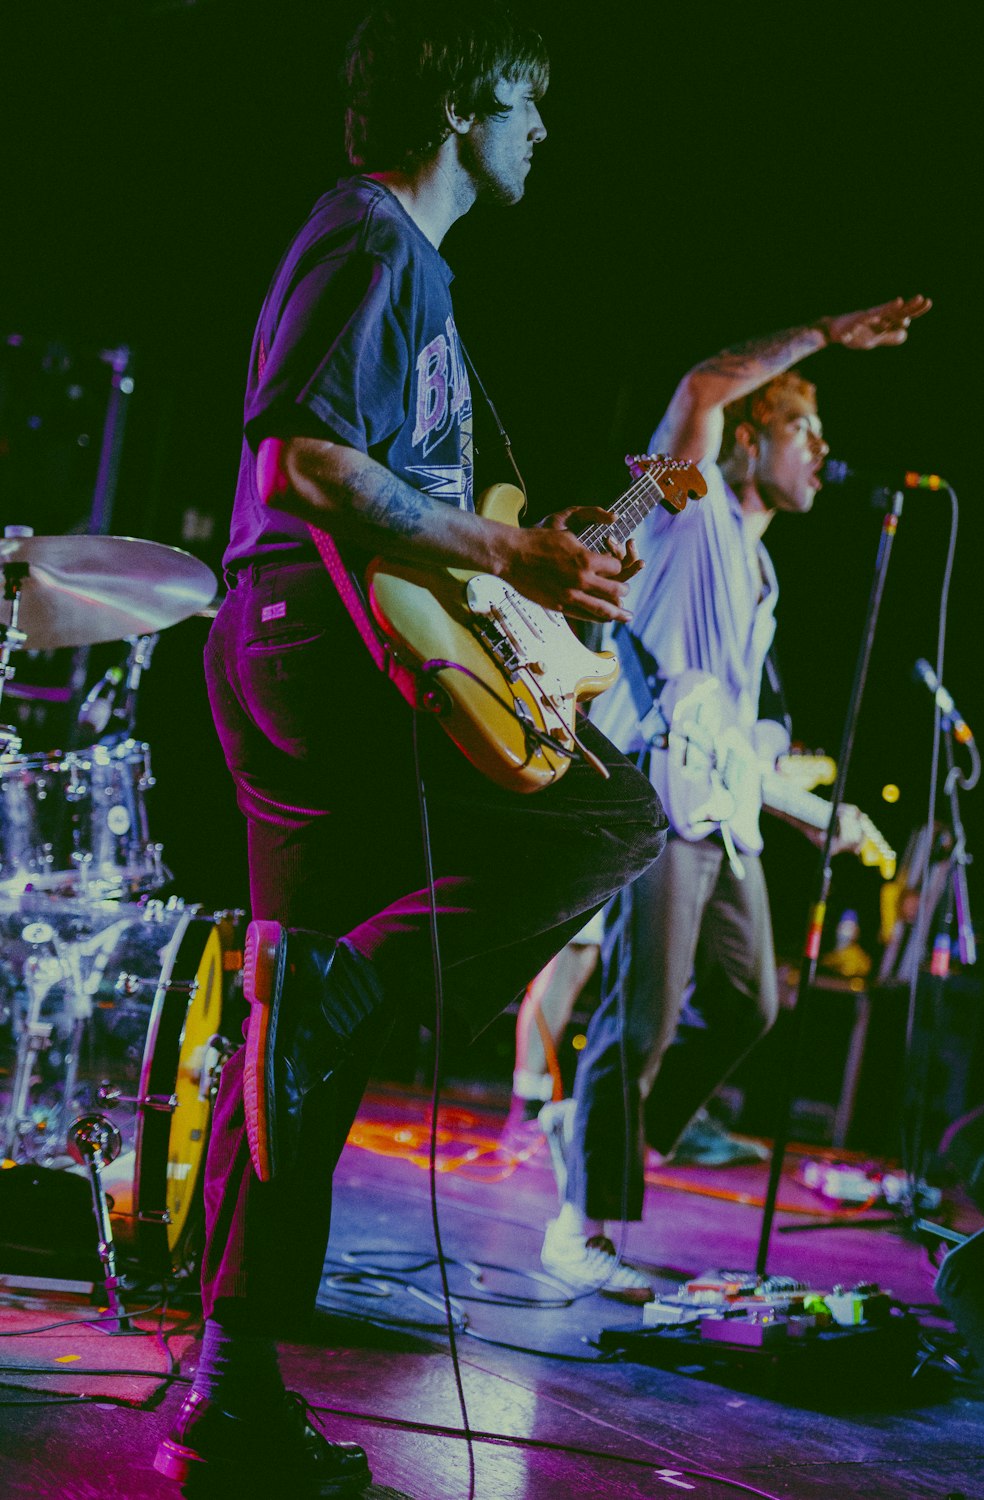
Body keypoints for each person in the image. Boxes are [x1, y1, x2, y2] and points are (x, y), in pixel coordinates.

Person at [153, 5, 668, 1493]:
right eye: (531, 104)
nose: (544, 132)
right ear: (467, 101)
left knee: (295, 1025)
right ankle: (351, 985)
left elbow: (389, 487)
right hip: (322, 653)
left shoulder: (411, 267)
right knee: (613, 817)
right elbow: (304, 459)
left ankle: (231, 1385)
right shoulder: (375, 239)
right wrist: (506, 543)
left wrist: (517, 567)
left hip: (314, 647)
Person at [538, 295, 932, 1301]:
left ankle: (595, 1135)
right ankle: (581, 1222)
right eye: (804, 427)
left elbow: (735, 734)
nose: (820, 449)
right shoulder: (686, 501)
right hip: (656, 797)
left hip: (723, 812)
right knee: (642, 1018)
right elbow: (700, 387)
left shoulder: (759, 573)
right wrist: (823, 337)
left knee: (749, 999)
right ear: (751, 437)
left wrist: (814, 814)